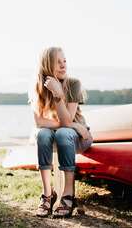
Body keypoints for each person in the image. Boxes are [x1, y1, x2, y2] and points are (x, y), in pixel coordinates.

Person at [29, 46, 93, 218]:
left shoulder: (73, 84)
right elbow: (39, 122)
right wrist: (72, 125)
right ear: (46, 64)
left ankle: (68, 194)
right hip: (63, 131)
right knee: (43, 134)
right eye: (57, 62)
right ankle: (47, 195)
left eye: (64, 61)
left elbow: (66, 122)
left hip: (79, 138)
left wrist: (58, 94)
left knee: (63, 134)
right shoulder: (37, 87)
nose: (63, 65)